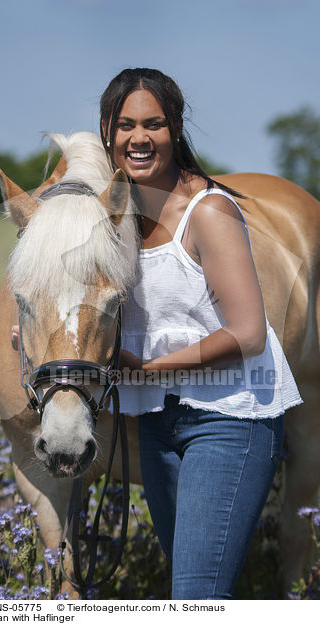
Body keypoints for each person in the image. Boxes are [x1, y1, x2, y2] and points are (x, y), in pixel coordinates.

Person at [98, 67, 302, 600]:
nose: (138, 138)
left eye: (154, 124)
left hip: (231, 417)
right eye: (125, 125)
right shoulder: (114, 219)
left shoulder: (208, 212)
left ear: (176, 130)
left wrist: (145, 371)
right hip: (160, 424)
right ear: (107, 132)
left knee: (196, 598)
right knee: (191, 592)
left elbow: (249, 334)